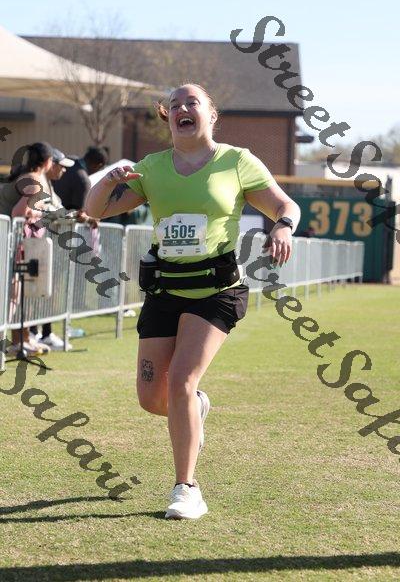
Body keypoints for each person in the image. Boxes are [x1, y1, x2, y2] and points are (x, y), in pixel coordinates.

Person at [85, 83, 301, 520]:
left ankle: (186, 488)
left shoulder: (236, 161)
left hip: (216, 291)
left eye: (192, 103)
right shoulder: (151, 168)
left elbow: (285, 204)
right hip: (165, 290)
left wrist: (282, 227)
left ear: (211, 114)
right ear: (167, 116)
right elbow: (95, 210)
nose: (182, 109)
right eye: (175, 105)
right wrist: (109, 179)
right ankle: (197, 407)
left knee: (181, 379)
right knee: (152, 397)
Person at [4, 142, 55, 356]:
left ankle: (20, 341)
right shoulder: (34, 180)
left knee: (18, 293)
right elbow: (18, 213)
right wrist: (39, 215)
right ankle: (11, 341)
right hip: (9, 241)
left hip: (11, 240)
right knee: (12, 295)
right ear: (47, 161)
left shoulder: (29, 176)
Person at [29, 148, 76, 351]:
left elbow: (56, 209)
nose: (63, 171)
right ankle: (33, 333)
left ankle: (41, 332)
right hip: (35, 245)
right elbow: (42, 212)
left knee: (44, 291)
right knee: (34, 291)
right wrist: (69, 215)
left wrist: (72, 215)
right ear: (51, 163)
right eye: (61, 166)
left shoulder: (48, 184)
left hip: (44, 245)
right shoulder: (37, 181)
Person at [53, 146, 108, 211]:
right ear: (98, 166)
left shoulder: (68, 160)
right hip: (59, 215)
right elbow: (79, 214)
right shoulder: (83, 181)